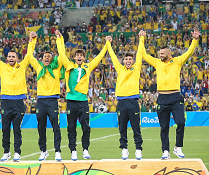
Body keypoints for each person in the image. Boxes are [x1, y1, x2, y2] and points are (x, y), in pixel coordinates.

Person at [141, 28, 200, 159]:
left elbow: (189, 53)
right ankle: (165, 151)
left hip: (175, 96)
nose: (160, 55)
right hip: (162, 97)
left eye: (162, 53)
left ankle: (178, 147)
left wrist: (195, 40)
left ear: (169, 53)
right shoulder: (157, 62)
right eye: (159, 53)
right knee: (164, 127)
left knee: (180, 122)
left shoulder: (177, 61)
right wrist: (141, 39)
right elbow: (144, 55)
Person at [56, 30, 108, 161]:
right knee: (71, 127)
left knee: (86, 127)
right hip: (71, 101)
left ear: (84, 58)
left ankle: (85, 149)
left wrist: (107, 44)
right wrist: (59, 39)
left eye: (81, 55)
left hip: (83, 101)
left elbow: (98, 58)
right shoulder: (69, 65)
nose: (79, 57)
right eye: (77, 55)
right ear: (74, 57)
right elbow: (61, 54)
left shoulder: (88, 67)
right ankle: (73, 150)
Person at [0, 31, 36, 162]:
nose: (11, 58)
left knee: (17, 129)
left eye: (13, 56)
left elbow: (29, 54)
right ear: (6, 58)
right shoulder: (2, 66)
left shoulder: (22, 66)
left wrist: (32, 40)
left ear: (17, 58)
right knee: (5, 129)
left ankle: (17, 153)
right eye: (9, 56)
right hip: (6, 101)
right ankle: (6, 152)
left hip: (19, 101)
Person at [106, 32, 145, 160]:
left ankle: (138, 149)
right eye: (126, 59)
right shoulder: (120, 68)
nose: (128, 61)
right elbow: (112, 56)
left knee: (136, 127)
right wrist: (108, 44)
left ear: (133, 61)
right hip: (121, 103)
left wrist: (141, 38)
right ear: (123, 61)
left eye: (130, 59)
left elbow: (139, 54)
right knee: (122, 128)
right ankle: (124, 149)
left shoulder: (136, 68)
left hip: (133, 101)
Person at [27, 34, 64, 162]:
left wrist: (59, 39)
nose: (46, 58)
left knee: (56, 127)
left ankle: (58, 151)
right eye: (44, 57)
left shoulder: (57, 67)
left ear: (52, 59)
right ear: (42, 60)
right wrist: (33, 40)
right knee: (41, 127)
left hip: (53, 100)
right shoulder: (39, 67)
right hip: (41, 101)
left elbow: (62, 54)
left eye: (49, 57)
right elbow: (29, 56)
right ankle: (43, 151)